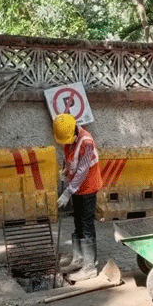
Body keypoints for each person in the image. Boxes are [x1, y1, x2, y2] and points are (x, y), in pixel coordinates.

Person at [52, 114, 103, 282]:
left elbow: (82, 170)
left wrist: (67, 192)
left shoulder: (86, 142)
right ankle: (79, 259)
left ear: (75, 130)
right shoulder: (68, 137)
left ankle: (89, 267)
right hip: (75, 186)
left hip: (87, 187)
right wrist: (65, 172)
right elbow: (69, 158)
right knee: (77, 222)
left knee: (86, 223)